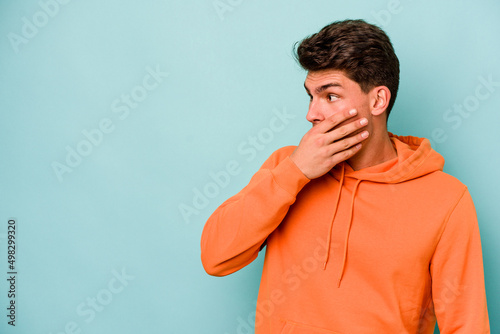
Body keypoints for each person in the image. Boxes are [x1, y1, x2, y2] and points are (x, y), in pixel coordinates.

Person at [200, 19, 490, 333]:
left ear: (378, 100)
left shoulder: (446, 198)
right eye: (311, 96)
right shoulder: (285, 166)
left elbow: (466, 323)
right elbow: (216, 257)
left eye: (330, 96)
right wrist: (295, 172)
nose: (312, 113)